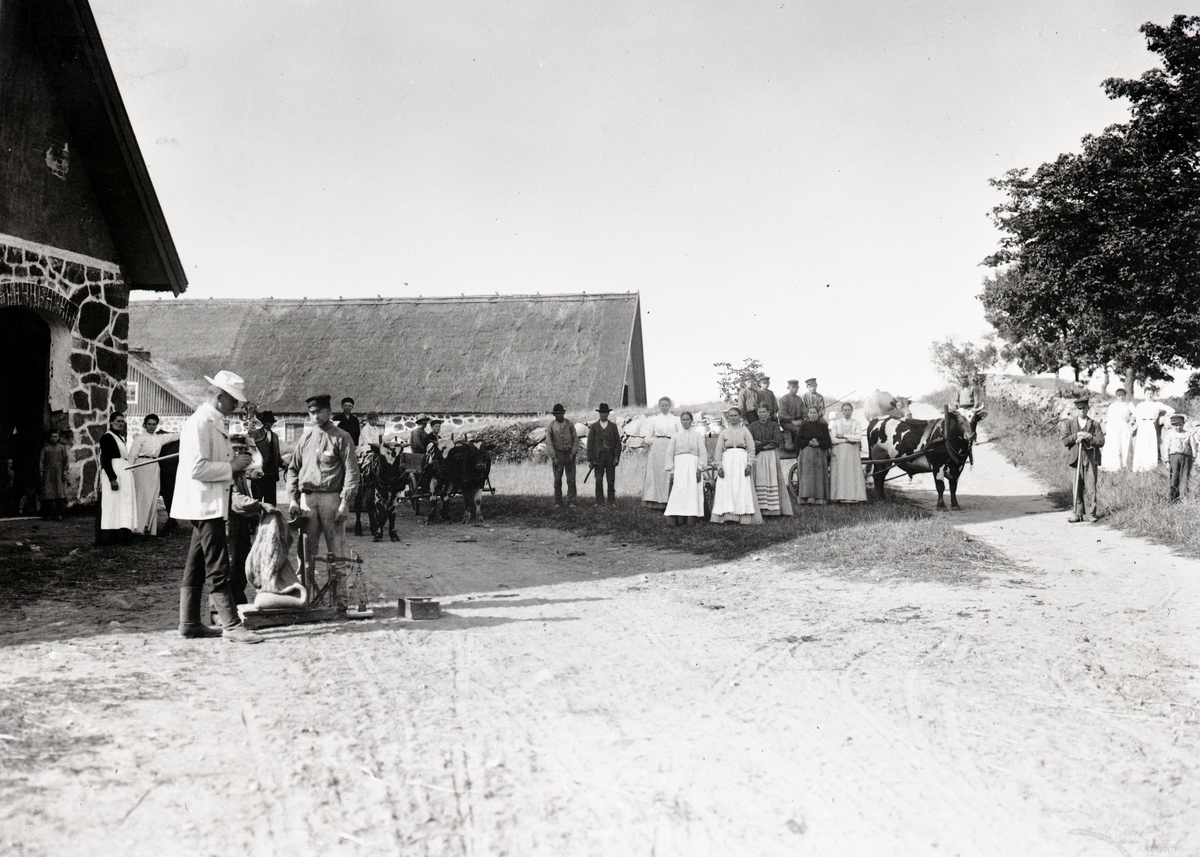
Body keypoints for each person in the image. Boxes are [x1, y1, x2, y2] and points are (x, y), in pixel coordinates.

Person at [171, 370, 262, 642]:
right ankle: (231, 625)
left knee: (196, 564)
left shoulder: (214, 422)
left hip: (210, 502)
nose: (236, 406)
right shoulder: (199, 423)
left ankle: (189, 623)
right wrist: (231, 466)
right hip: (204, 504)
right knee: (218, 565)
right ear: (220, 397)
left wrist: (235, 466)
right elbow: (197, 469)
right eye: (234, 401)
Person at [287, 394, 360, 612]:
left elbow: (352, 472)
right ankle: (303, 601)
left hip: (331, 499)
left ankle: (340, 603)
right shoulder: (306, 438)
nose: (316, 416)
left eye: (319, 412)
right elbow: (292, 469)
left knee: (337, 553)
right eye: (312, 413)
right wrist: (292, 499)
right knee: (305, 555)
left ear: (329, 411)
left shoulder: (342, 437)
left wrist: (345, 503)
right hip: (307, 501)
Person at [125, 414, 179, 535]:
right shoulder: (139, 439)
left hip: (154, 467)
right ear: (144, 425)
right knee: (142, 496)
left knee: (152, 496)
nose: (151, 427)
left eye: (154, 424)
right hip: (141, 466)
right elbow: (131, 457)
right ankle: (137, 527)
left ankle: (148, 527)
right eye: (149, 424)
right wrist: (129, 472)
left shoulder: (160, 438)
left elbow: (176, 436)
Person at [710, 407, 761, 524]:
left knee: (741, 486)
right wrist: (719, 466)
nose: (733, 418)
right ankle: (728, 516)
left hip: (741, 460)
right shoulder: (724, 432)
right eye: (731, 416)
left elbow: (751, 449)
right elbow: (718, 450)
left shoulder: (745, 431)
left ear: (740, 417)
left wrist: (749, 464)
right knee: (727, 486)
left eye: (735, 415)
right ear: (728, 418)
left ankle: (743, 517)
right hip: (727, 460)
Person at [1061, 397, 1105, 523]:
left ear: (1088, 408)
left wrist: (1089, 437)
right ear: (1076, 410)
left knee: (1091, 486)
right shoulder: (1069, 424)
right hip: (1076, 458)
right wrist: (1076, 436)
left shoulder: (1095, 424)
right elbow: (1065, 440)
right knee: (1077, 486)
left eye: (1084, 408)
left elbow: (1101, 441)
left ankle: (1091, 514)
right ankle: (1078, 513)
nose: (1082, 411)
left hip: (1090, 458)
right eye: (1079, 409)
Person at [96, 412, 138, 545]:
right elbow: (106, 459)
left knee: (123, 503)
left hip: (123, 472)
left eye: (122, 421)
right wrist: (112, 479)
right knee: (112, 503)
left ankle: (122, 534)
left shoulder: (120, 437)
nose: (120, 424)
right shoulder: (107, 437)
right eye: (118, 421)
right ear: (111, 422)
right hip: (114, 472)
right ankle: (108, 536)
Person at [663, 411, 708, 524]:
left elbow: (702, 453)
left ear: (692, 421)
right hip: (680, 466)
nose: (685, 422)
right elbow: (669, 453)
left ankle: (692, 518)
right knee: (680, 491)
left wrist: (699, 468)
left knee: (692, 491)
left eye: (688, 419)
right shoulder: (676, 436)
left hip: (693, 465)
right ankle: (678, 518)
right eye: (683, 419)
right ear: (680, 421)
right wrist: (672, 470)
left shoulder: (697, 435)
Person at [748, 406, 793, 517]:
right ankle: (760, 508)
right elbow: (750, 443)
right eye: (760, 412)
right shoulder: (752, 426)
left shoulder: (774, 425)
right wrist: (763, 446)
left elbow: (777, 441)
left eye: (764, 412)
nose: (762, 414)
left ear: (768, 413)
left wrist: (760, 443)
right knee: (759, 479)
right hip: (758, 456)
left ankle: (773, 509)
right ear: (757, 413)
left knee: (772, 479)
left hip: (771, 455)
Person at [640, 397, 682, 510]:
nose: (664, 407)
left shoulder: (675, 419)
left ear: (670, 406)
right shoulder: (654, 420)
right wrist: (657, 441)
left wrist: (672, 442)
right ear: (659, 406)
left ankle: (668, 500)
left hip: (670, 445)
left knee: (668, 473)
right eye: (662, 405)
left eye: (666, 405)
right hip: (657, 448)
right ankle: (655, 501)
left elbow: (680, 434)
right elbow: (647, 438)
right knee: (656, 473)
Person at [828, 402, 868, 503]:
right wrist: (846, 440)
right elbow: (833, 439)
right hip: (839, 452)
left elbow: (858, 437)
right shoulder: (836, 423)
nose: (847, 412)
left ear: (852, 411)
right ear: (842, 411)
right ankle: (839, 496)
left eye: (849, 410)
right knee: (840, 473)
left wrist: (844, 435)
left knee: (852, 473)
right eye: (845, 410)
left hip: (852, 452)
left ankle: (853, 497)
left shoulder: (856, 423)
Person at [1132, 387, 1174, 472]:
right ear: (1144, 394)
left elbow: (1171, 410)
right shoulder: (1140, 405)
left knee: (1151, 444)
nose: (1149, 395)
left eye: (1151, 393)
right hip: (1142, 425)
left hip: (1151, 424)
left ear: (1154, 394)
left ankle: (1151, 467)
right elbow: (1137, 418)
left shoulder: (1157, 404)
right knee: (1142, 445)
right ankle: (1140, 467)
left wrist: (1164, 416)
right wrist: (1134, 428)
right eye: (1148, 393)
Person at [587, 403, 621, 506]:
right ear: (599, 413)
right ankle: (599, 501)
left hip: (610, 457)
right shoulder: (594, 427)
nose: (603, 415)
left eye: (605, 412)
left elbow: (618, 443)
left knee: (610, 480)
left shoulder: (613, 426)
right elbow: (590, 444)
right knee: (598, 480)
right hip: (598, 458)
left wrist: (616, 457)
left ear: (608, 413)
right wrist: (590, 459)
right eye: (601, 413)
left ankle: (611, 501)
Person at [796, 405, 832, 504]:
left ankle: (819, 497)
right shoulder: (803, 426)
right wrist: (808, 442)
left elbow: (828, 442)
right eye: (810, 413)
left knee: (819, 475)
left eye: (814, 413)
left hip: (819, 453)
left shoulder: (823, 426)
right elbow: (798, 441)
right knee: (807, 475)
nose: (812, 415)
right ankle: (806, 497)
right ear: (808, 414)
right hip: (807, 454)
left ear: (818, 414)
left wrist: (818, 443)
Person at [547, 403, 580, 508]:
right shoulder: (551, 426)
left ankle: (572, 501)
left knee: (571, 479)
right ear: (554, 415)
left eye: (560, 413)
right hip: (558, 455)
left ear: (563, 413)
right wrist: (554, 457)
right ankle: (558, 502)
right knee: (557, 480)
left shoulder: (569, 424)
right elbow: (549, 442)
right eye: (557, 414)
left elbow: (576, 440)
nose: (559, 415)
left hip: (569, 454)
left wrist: (573, 453)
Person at [251, 411, 285, 505]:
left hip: (271, 474)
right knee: (257, 502)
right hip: (259, 473)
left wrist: (284, 464)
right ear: (263, 422)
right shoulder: (255, 434)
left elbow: (277, 456)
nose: (269, 424)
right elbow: (250, 451)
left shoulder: (275, 437)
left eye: (271, 422)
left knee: (270, 503)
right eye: (267, 422)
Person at [1163, 414, 1197, 502]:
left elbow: (1193, 447)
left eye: (1180, 425)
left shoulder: (1188, 434)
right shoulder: (1170, 435)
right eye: (1176, 425)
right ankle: (1173, 498)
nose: (1178, 427)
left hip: (1186, 458)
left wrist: (1193, 459)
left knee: (1185, 477)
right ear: (1173, 425)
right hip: (1174, 458)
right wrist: (1167, 461)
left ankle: (1183, 497)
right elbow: (1166, 448)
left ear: (1183, 424)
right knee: (1174, 477)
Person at [1101, 388, 1135, 472]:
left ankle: (1125, 465)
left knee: (1125, 445)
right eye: (1119, 396)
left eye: (1123, 395)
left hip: (1124, 426)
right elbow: (1109, 418)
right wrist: (1108, 429)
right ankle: (1115, 466)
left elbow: (1136, 413)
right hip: (1114, 427)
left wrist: (1132, 420)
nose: (1121, 397)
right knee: (1115, 445)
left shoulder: (1129, 405)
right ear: (1116, 396)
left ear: (1125, 396)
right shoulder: (1112, 406)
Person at [39, 429, 69, 520]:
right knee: (48, 494)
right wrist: (41, 472)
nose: (54, 438)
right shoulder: (46, 449)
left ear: (58, 437)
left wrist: (65, 472)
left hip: (59, 473)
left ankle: (59, 514)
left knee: (59, 494)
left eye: (56, 437)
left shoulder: (62, 448)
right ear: (49, 437)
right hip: (48, 473)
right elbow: (42, 461)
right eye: (52, 437)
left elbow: (66, 461)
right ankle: (49, 514)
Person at [777, 379, 805, 454]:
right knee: (798, 430)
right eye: (793, 387)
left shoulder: (799, 399)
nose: (795, 389)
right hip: (786, 422)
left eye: (796, 387)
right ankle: (796, 449)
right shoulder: (784, 399)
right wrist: (793, 421)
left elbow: (804, 412)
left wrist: (803, 420)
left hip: (798, 421)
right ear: (788, 388)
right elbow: (782, 414)